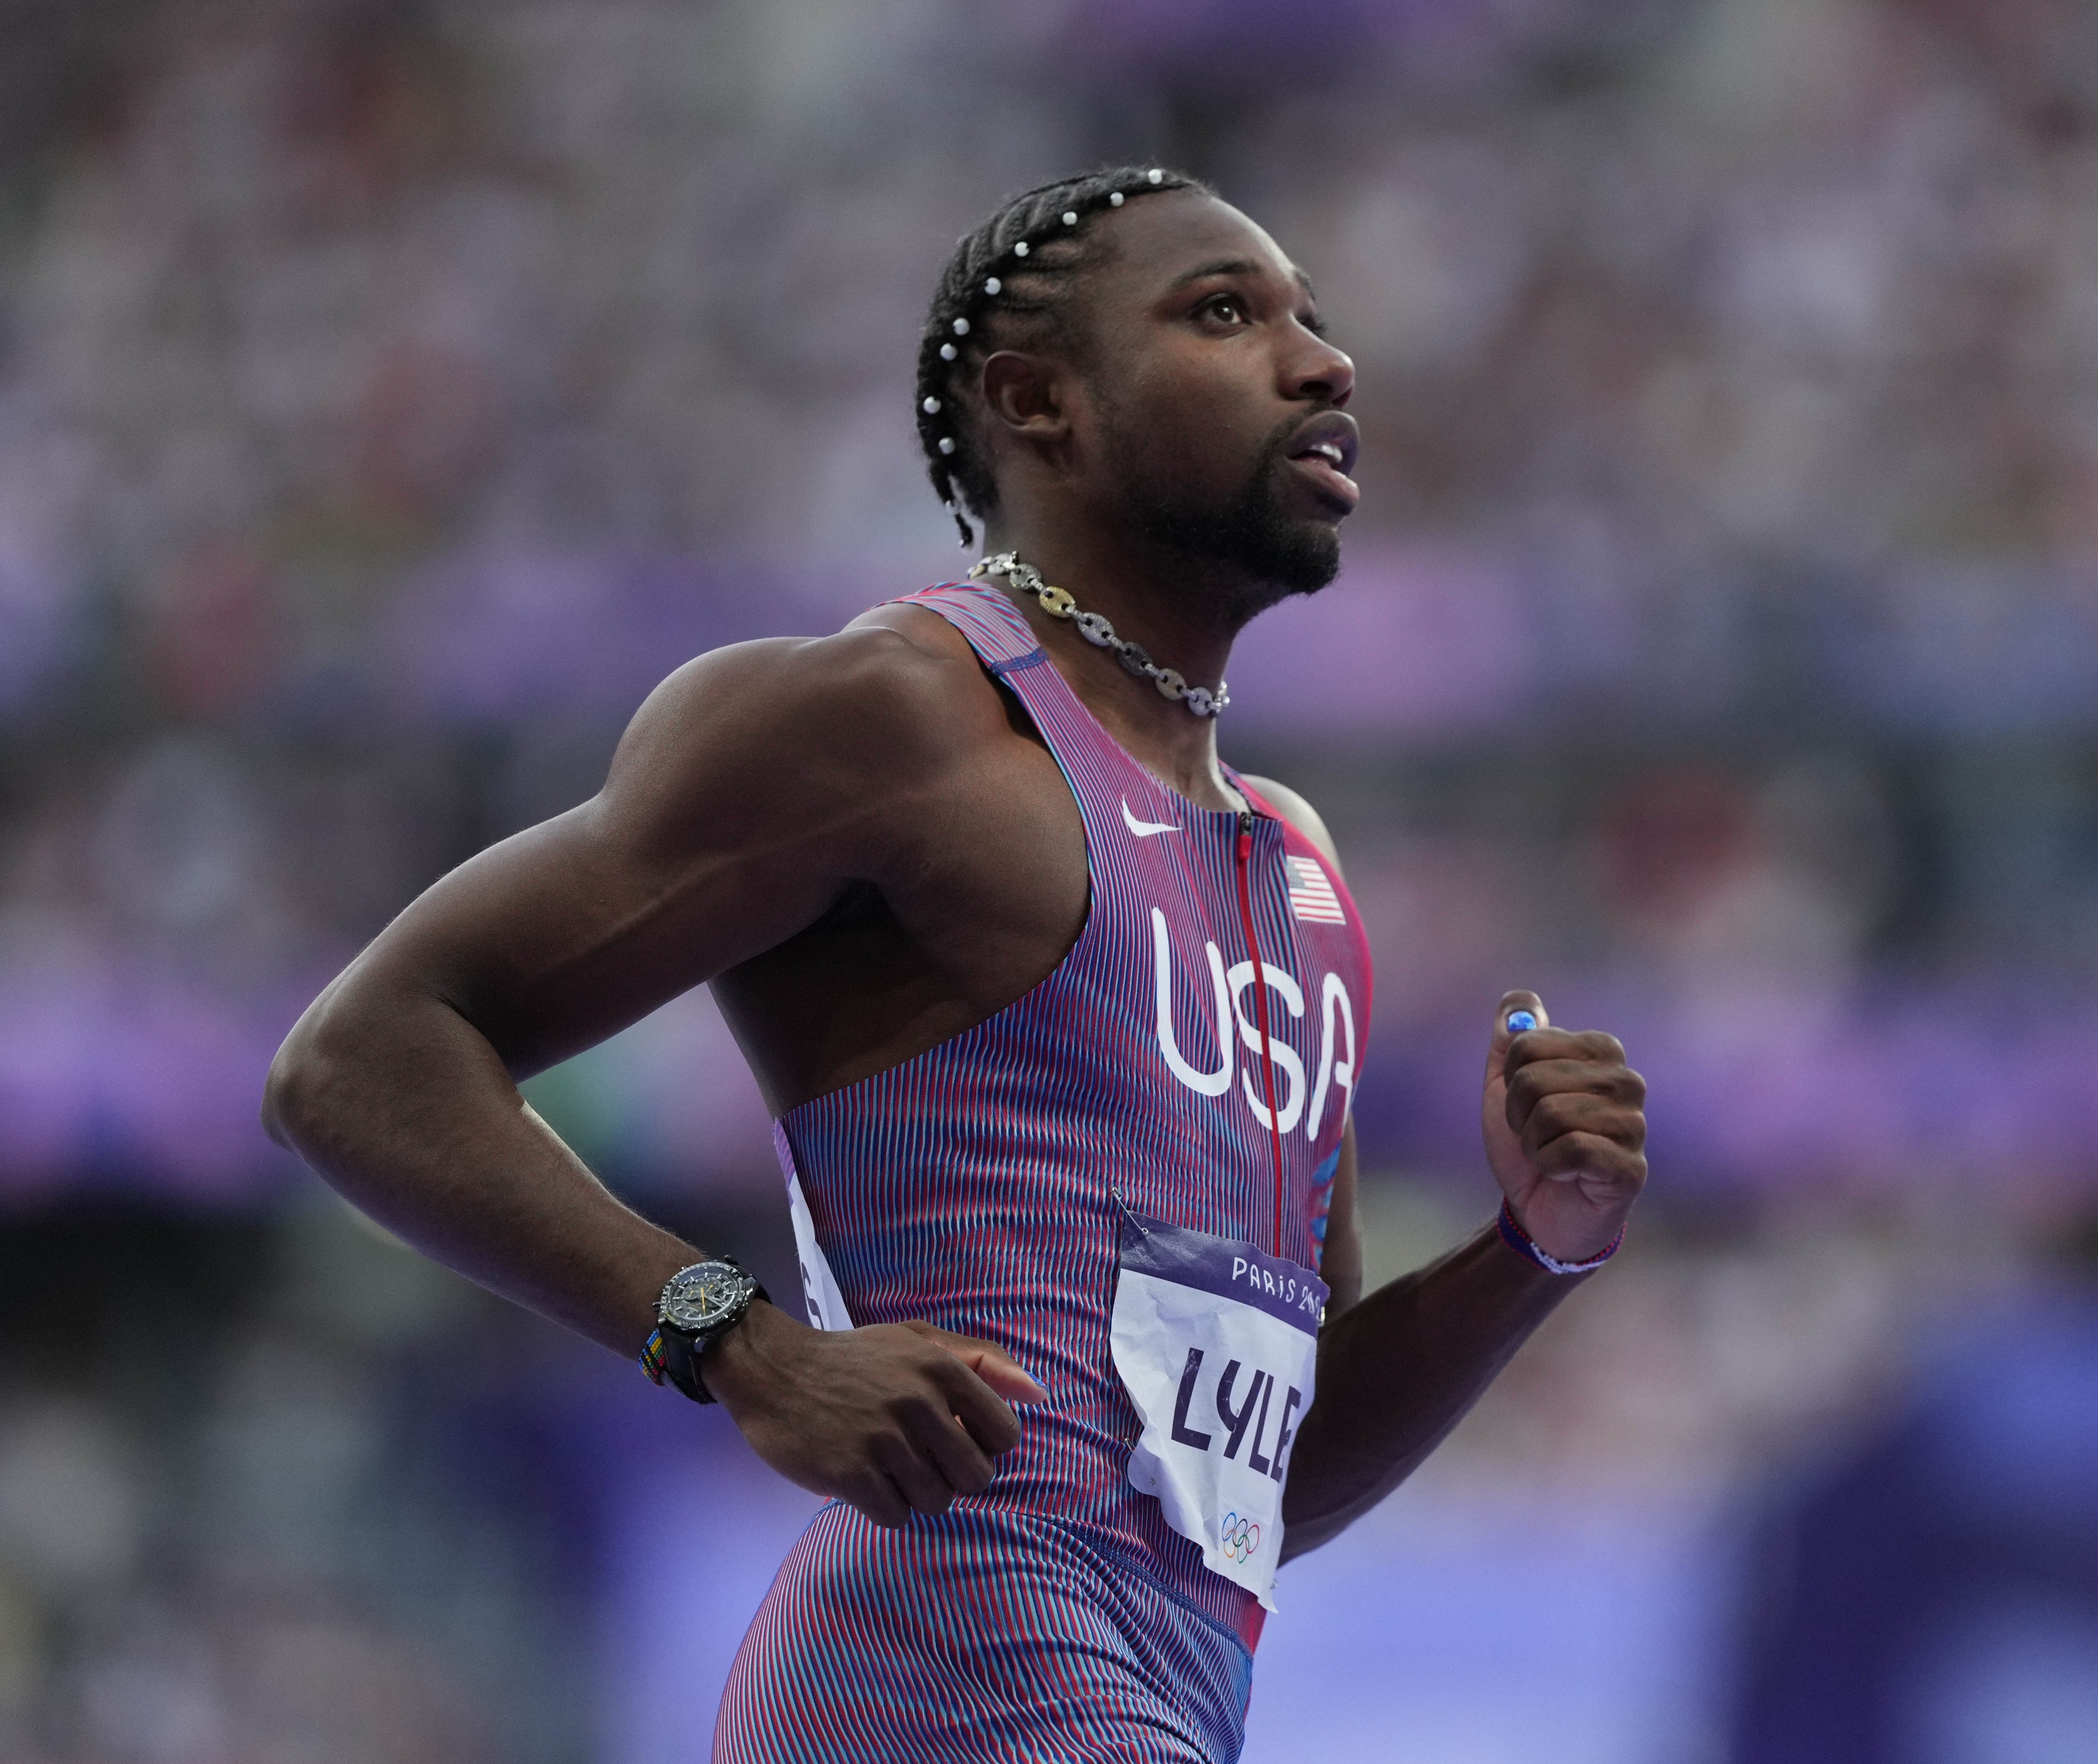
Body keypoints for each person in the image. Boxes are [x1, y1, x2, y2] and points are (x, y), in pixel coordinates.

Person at [262, 165, 1650, 1764]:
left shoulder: (1295, 871)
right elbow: (359, 1056)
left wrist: (1528, 1255)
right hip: (940, 1678)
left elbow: (1277, 1478)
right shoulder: (895, 721)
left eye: (1315, 325)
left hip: (1147, 1704)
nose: (1322, 364)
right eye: (1224, 313)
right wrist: (735, 1340)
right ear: (1037, 403)